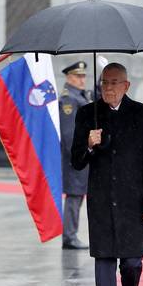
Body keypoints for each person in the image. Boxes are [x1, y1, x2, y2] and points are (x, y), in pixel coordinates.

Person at [71, 62, 143, 286]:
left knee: (132, 264)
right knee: (104, 262)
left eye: (113, 83)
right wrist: (88, 143)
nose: (108, 88)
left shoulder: (142, 114)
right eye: (104, 83)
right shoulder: (88, 114)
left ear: (126, 85)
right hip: (101, 201)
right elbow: (75, 161)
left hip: (134, 203)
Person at [59, 61, 91, 250]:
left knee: (78, 195)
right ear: (69, 77)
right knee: (74, 195)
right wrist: (78, 156)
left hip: (81, 154)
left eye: (83, 76)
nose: (82, 80)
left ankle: (71, 234)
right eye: (78, 76)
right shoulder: (68, 99)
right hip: (75, 156)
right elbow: (69, 133)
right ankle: (69, 236)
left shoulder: (79, 95)